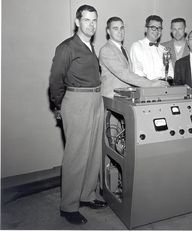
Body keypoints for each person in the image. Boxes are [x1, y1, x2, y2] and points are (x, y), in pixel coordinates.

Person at [49, 5, 107, 225]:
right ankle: (69, 206)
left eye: (94, 20)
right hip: (77, 101)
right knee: (76, 154)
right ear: (77, 21)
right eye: (86, 20)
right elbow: (55, 80)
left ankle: (87, 195)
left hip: (95, 100)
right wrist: (58, 105)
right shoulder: (67, 47)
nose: (91, 25)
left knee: (93, 152)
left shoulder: (90, 46)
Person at [99, 16, 168, 99]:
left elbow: (131, 73)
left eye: (122, 28)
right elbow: (124, 74)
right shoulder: (106, 50)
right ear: (108, 31)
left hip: (124, 97)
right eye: (115, 28)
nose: (120, 32)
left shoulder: (124, 49)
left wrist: (153, 82)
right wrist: (151, 84)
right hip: (112, 98)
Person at [130, 15, 174, 81]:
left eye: (159, 28)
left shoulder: (164, 50)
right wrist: (152, 84)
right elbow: (137, 71)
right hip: (145, 88)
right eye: (153, 27)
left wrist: (167, 80)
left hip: (163, 88)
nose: (156, 31)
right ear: (146, 29)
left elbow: (170, 71)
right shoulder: (137, 46)